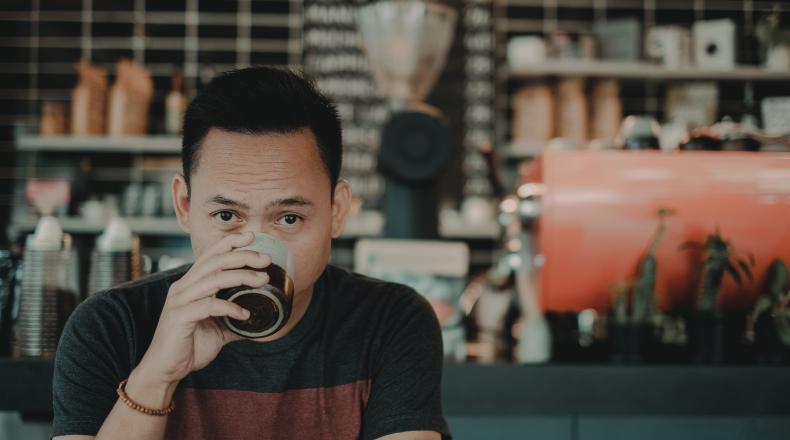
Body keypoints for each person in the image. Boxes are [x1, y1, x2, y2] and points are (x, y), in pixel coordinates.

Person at [52, 66, 450, 440]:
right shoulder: (108, 326)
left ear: (337, 211)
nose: (255, 250)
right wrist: (156, 376)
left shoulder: (391, 321)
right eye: (227, 215)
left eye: (289, 218)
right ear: (185, 206)